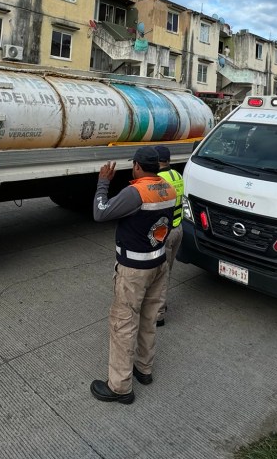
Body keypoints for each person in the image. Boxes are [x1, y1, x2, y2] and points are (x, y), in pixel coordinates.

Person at [90, 146, 177, 404]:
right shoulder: (168, 188)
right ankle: (144, 369)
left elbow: (100, 212)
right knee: (149, 318)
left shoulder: (135, 192)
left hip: (134, 270)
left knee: (124, 323)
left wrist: (103, 183)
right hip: (158, 264)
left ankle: (119, 387)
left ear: (137, 166)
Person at [154, 145, 184, 328]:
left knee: (159, 275)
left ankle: (158, 315)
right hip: (178, 229)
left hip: (165, 234)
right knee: (167, 272)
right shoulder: (177, 175)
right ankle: (161, 304)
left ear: (157, 161)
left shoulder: (159, 180)